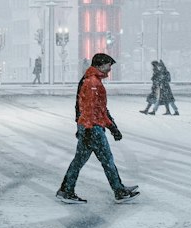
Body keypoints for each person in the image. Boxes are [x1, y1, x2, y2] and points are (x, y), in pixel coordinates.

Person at [56, 53, 139, 204]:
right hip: (92, 128)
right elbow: (89, 108)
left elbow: (99, 109)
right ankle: (119, 191)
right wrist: (88, 129)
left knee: (79, 160)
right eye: (108, 65)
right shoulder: (92, 82)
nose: (110, 68)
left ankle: (66, 190)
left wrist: (112, 127)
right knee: (107, 160)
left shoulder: (92, 80)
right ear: (100, 65)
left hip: (89, 127)